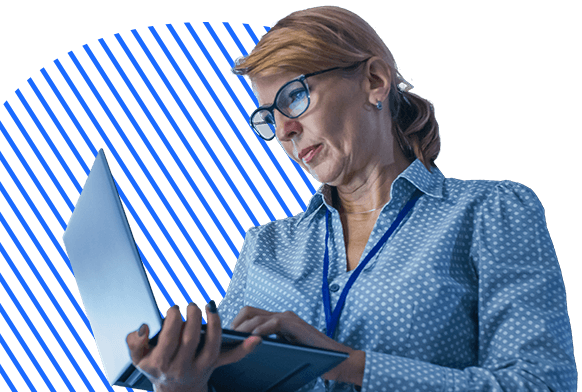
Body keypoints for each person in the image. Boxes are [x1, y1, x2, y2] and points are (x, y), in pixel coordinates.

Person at [126, 6, 576, 391]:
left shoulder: (489, 213)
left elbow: (541, 382)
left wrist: (343, 361)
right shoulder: (264, 247)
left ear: (375, 81)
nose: (283, 130)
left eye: (295, 96)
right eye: (268, 117)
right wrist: (183, 385)